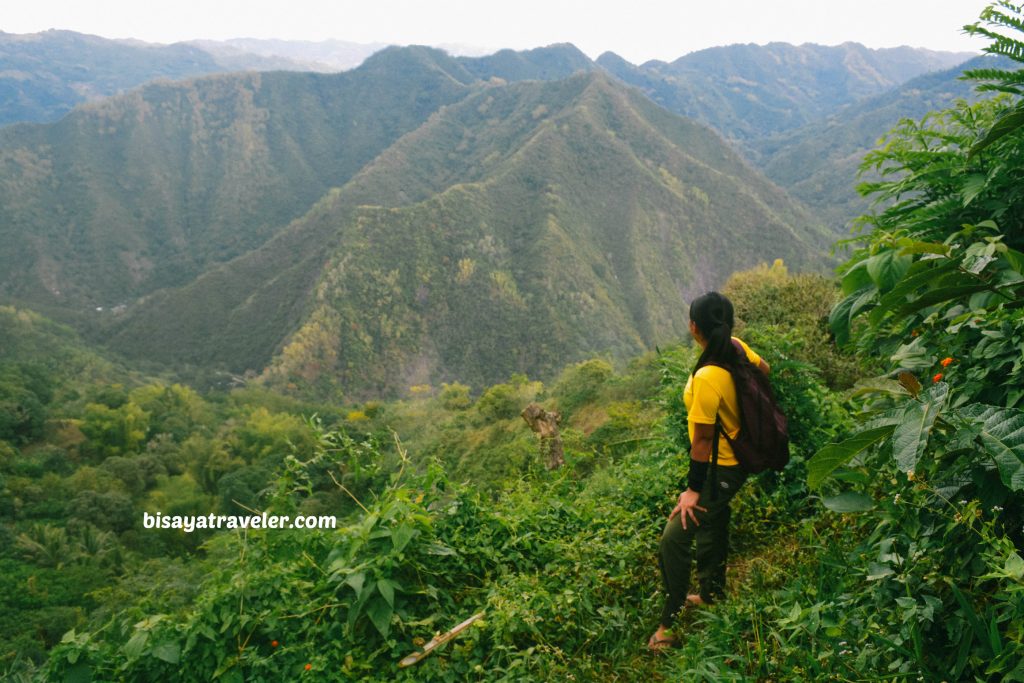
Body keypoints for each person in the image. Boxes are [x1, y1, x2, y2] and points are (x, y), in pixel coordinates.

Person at [648, 291, 770, 651]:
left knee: (674, 537)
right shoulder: (735, 347)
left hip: (720, 469)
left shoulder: (706, 377)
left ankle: (668, 623)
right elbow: (766, 371)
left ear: (693, 327)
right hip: (737, 462)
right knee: (713, 524)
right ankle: (712, 594)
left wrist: (692, 491)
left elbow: (701, 441)